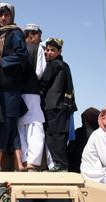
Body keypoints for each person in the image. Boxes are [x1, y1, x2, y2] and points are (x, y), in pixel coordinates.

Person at [0, 3, 28, 170]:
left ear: (11, 16)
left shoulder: (15, 33)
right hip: (1, 87)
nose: (3, 18)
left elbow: (22, 55)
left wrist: (1, 63)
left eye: (6, 15)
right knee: (11, 125)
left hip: (10, 87)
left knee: (5, 123)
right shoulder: (0, 36)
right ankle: (19, 164)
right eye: (0, 15)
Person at [40, 37, 77, 171]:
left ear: (59, 51)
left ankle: (60, 164)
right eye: (47, 50)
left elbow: (44, 82)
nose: (48, 53)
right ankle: (61, 164)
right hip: (62, 106)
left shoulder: (55, 64)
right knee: (59, 135)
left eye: (52, 50)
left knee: (53, 135)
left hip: (53, 106)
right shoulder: (64, 65)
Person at [18, 23, 46, 171]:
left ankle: (24, 160)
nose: (40, 41)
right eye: (38, 37)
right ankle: (33, 162)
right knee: (35, 126)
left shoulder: (18, 48)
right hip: (32, 91)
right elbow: (39, 72)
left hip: (17, 92)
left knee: (21, 126)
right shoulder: (38, 49)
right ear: (31, 35)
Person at [67, 107, 100, 173]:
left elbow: (69, 151)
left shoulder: (77, 132)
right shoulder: (99, 134)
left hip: (75, 169)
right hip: (94, 171)